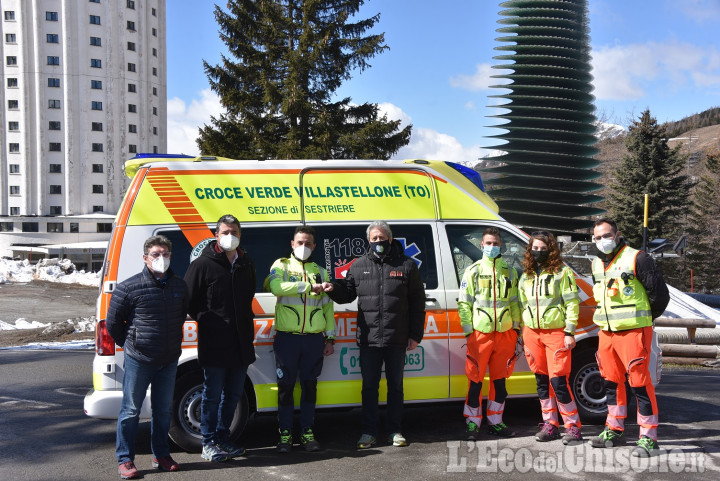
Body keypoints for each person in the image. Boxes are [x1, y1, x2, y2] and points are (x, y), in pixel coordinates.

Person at [328, 221, 425, 449]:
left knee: (396, 387)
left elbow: (417, 303)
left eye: (382, 238)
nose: (378, 242)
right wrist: (333, 288)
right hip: (369, 339)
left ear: (390, 239)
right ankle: (368, 432)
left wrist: (415, 335)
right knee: (369, 387)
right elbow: (347, 295)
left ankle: (395, 430)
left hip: (397, 338)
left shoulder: (407, 265)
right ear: (368, 241)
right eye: (374, 239)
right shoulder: (358, 265)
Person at [106, 235, 188, 479]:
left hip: (169, 359)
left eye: (165, 254)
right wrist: (132, 344)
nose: (161, 258)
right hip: (139, 359)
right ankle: (125, 459)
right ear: (145, 258)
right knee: (130, 411)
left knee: (163, 411)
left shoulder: (179, 286)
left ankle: (161, 454)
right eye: (156, 254)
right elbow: (112, 324)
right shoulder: (128, 287)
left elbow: (181, 315)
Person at [589, 218, 669, 457]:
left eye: (606, 235)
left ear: (617, 234)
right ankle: (614, 429)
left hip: (634, 332)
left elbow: (660, 296)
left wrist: (643, 320)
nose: (602, 240)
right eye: (597, 237)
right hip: (606, 332)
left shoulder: (638, 258)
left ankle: (648, 437)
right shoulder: (596, 264)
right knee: (611, 382)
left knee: (640, 383)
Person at [185, 214, 257, 462]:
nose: (230, 236)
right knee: (212, 394)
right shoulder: (202, 265)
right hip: (214, 343)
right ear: (216, 235)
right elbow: (190, 302)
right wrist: (208, 321)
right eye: (225, 232)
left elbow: (247, 300)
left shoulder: (246, 263)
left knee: (233, 395)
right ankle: (208, 442)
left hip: (241, 343)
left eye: (234, 232)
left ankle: (223, 438)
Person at [264, 225, 335, 453]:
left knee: (309, 387)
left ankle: (307, 432)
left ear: (314, 246)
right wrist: (306, 286)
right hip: (287, 339)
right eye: (300, 242)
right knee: (285, 388)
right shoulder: (282, 265)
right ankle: (285, 435)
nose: (304, 246)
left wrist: (330, 338)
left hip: (314, 340)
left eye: (308, 243)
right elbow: (276, 288)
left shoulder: (321, 271)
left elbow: (327, 307)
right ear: (292, 244)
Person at [518, 231, 582, 445]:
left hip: (555, 333)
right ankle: (550, 425)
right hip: (532, 332)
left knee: (559, 382)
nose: (538, 252)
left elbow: (572, 302)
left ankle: (573, 427)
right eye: (534, 248)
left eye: (542, 249)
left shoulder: (562, 272)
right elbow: (521, 303)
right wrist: (521, 329)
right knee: (542, 381)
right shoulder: (526, 274)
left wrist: (570, 331)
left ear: (551, 249)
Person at [458, 226, 522, 439]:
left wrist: (515, 329)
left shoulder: (509, 271)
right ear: (481, 245)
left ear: (501, 245)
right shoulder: (473, 270)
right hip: (480, 334)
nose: (492, 247)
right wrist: (469, 333)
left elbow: (514, 302)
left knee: (499, 381)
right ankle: (473, 422)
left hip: (504, 334)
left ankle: (496, 421)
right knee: (475, 381)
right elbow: (464, 304)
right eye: (488, 243)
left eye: (495, 243)